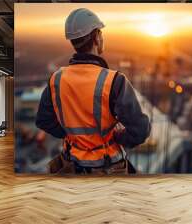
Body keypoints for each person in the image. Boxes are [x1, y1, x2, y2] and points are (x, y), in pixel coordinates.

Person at [36, 8, 151, 174]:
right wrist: (118, 137)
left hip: (71, 164)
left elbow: (43, 120)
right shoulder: (114, 81)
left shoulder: (57, 79)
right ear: (97, 37)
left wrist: (71, 135)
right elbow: (141, 130)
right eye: (101, 33)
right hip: (109, 167)